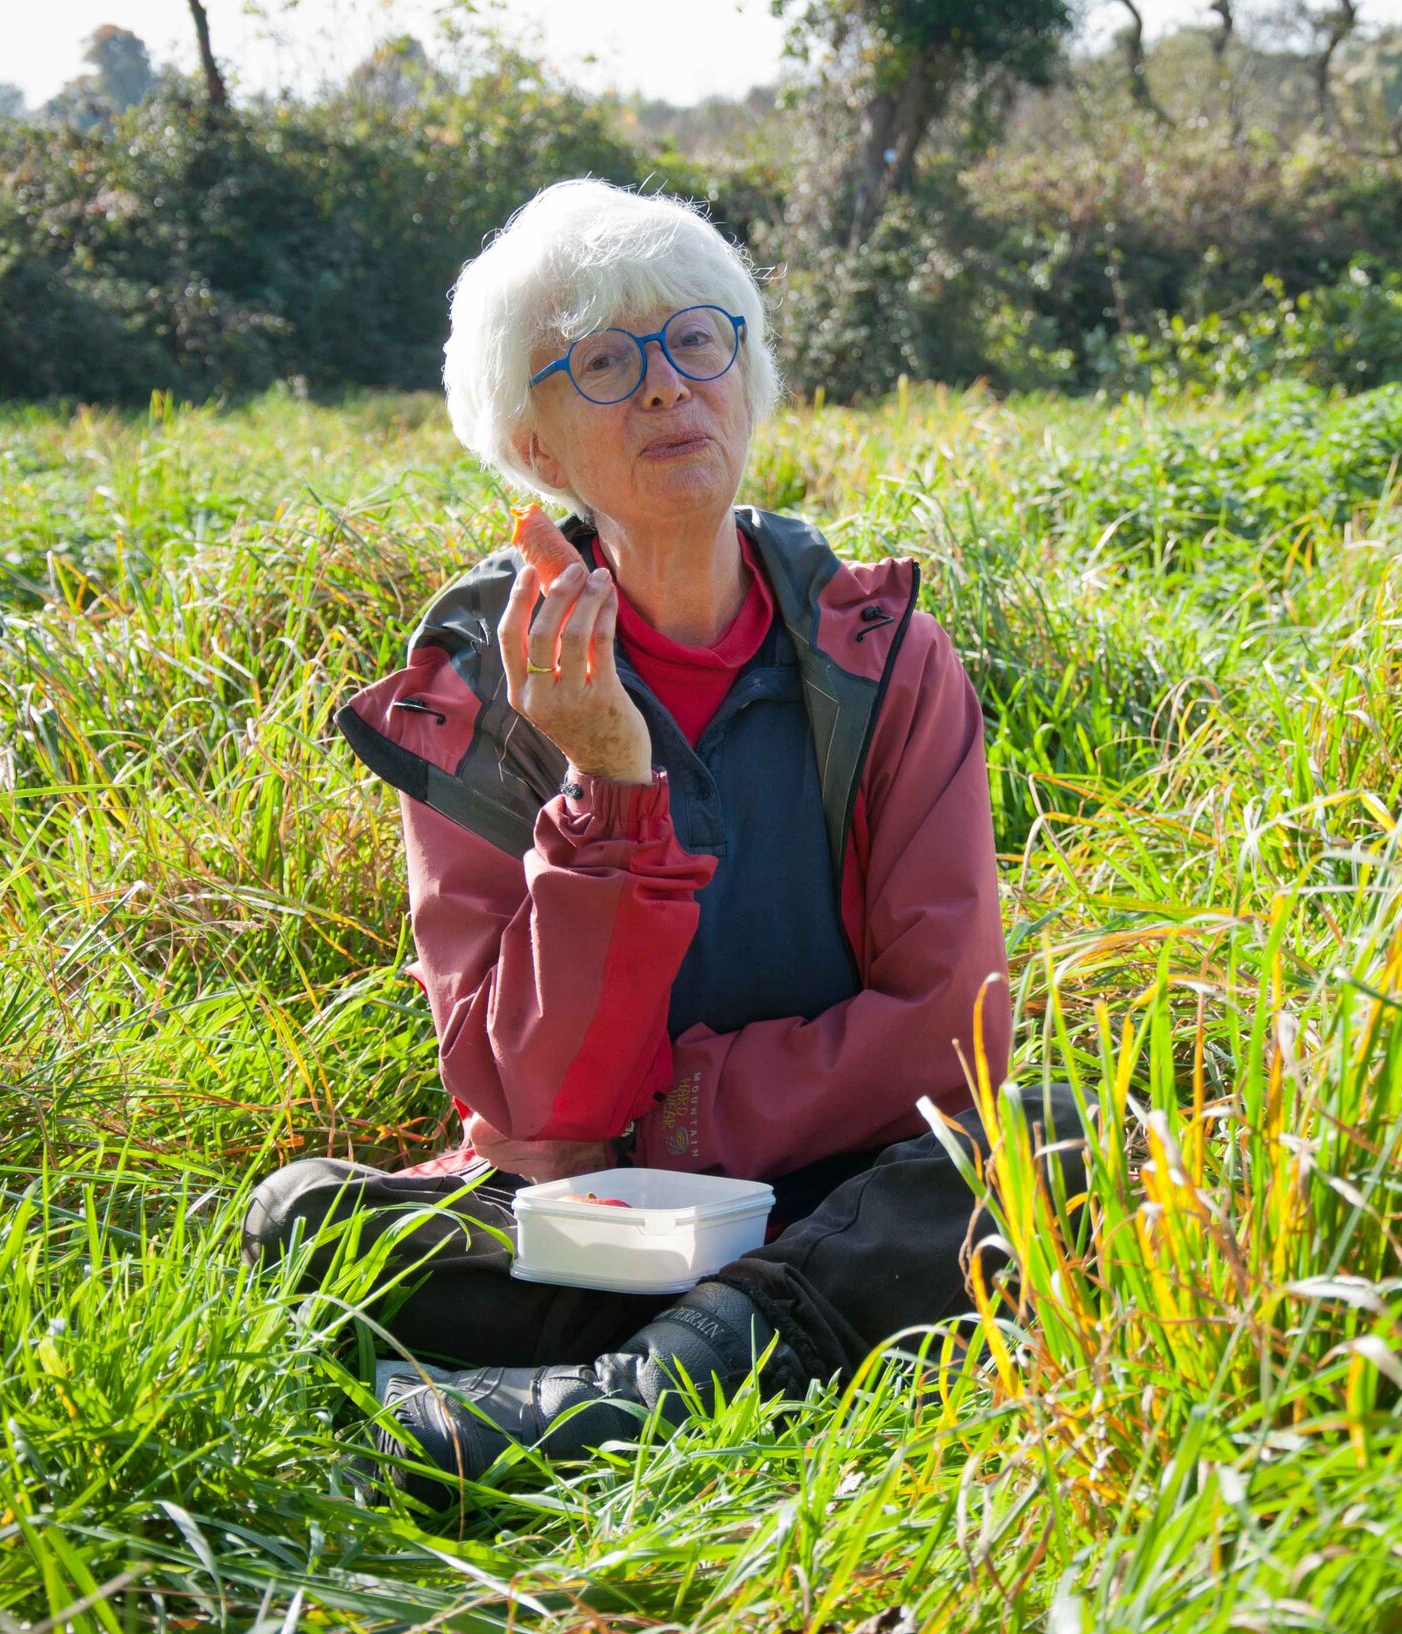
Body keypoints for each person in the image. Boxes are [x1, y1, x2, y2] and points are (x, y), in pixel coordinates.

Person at [237, 179, 1081, 1504]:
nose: (668, 389)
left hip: (846, 1180)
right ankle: (755, 1348)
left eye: (702, 340)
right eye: (608, 362)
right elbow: (530, 1112)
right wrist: (612, 784)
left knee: (1056, 1142)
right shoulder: (470, 700)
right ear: (535, 443)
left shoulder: (885, 658)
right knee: (305, 1219)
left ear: (748, 381)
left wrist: (678, 1117)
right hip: (587, 1226)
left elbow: (948, 1029)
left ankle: (612, 1399)